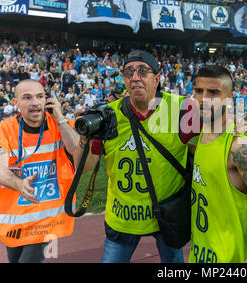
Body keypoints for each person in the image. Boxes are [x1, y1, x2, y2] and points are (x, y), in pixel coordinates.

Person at [74, 50, 198, 263]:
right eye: (129, 72)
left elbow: (214, 139)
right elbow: (83, 168)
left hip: (167, 215)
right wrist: (84, 137)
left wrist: (238, 127)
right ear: (123, 78)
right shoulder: (107, 116)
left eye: (143, 71)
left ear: (157, 79)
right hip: (123, 217)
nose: (135, 77)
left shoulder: (181, 110)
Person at [0, 79, 80, 263]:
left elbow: (76, 149)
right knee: (15, 260)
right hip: (16, 216)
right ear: (15, 103)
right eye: (27, 98)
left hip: (47, 216)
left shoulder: (61, 124)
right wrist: (19, 184)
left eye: (40, 96)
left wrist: (60, 117)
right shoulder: (3, 131)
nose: (35, 102)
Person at [189, 65, 247, 263]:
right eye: (198, 91)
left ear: (229, 98)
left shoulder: (240, 145)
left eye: (213, 92)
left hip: (230, 257)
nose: (203, 98)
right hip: (200, 252)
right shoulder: (202, 133)